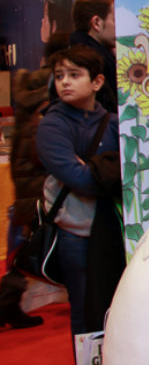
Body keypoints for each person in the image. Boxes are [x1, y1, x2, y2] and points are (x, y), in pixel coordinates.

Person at [35, 44, 122, 335]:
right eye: (60, 76)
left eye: (74, 74)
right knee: (86, 312)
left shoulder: (115, 123)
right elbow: (79, 179)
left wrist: (95, 168)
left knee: (119, 307)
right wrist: (109, 172)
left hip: (116, 231)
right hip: (77, 232)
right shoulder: (52, 125)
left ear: (97, 82)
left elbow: (133, 174)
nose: (65, 82)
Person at [0, 34, 70, 329]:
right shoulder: (51, 93)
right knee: (34, 247)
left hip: (25, 180)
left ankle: (8, 304)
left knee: (26, 247)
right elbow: (41, 146)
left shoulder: (31, 89)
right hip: (40, 183)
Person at [69, 0, 117, 113]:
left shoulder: (71, 52)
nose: (122, 27)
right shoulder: (94, 63)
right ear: (97, 23)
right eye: (116, 20)